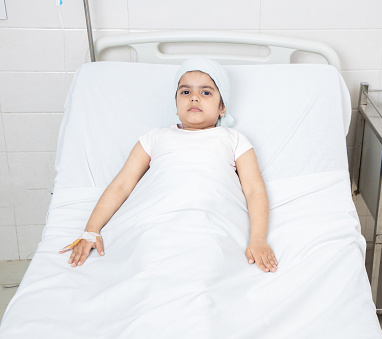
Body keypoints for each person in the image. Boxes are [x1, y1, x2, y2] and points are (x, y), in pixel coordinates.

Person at [59, 58, 278, 273]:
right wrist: (90, 230)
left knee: (205, 260)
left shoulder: (233, 139)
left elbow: (254, 190)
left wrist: (258, 239)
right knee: (147, 256)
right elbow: (122, 185)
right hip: (155, 217)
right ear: (175, 105)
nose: (194, 98)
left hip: (209, 218)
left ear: (222, 107)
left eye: (206, 92)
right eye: (185, 92)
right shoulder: (154, 138)